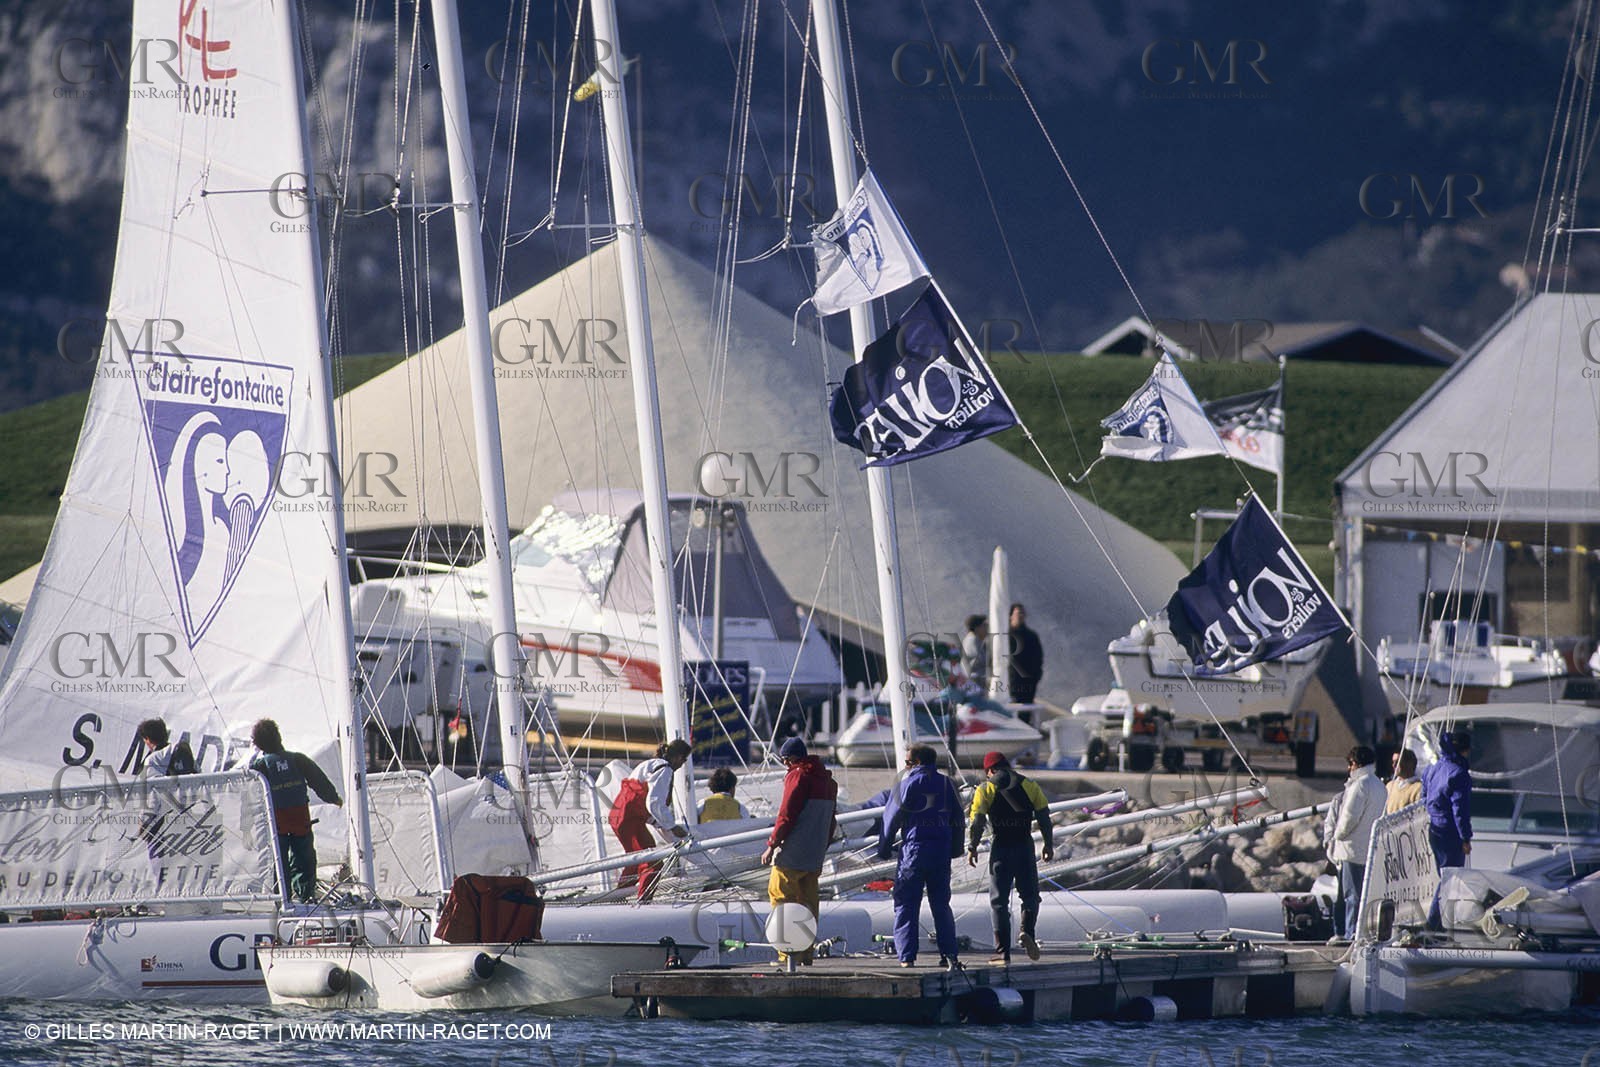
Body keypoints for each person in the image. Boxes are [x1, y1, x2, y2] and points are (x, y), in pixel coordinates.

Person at [877, 745, 965, 970]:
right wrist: (955, 849)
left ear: (916, 762)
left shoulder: (907, 784)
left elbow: (892, 818)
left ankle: (907, 957)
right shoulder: (947, 784)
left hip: (914, 851)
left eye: (907, 763)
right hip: (941, 851)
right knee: (941, 905)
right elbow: (958, 819)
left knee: (906, 903)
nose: (906, 767)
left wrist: (884, 848)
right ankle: (950, 955)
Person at [966, 751, 1053, 965]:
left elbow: (977, 821)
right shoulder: (1029, 784)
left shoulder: (986, 788)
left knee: (999, 902)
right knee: (1030, 895)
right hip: (1024, 845)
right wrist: (1048, 845)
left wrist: (972, 847)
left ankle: (1002, 952)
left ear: (990, 770)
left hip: (1001, 848)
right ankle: (1027, 931)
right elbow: (1044, 816)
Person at [760, 737, 838, 966]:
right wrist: (822, 845)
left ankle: (787, 954)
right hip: (815, 854)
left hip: (793, 853)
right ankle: (805, 953)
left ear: (791, 759)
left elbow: (787, 814)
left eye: (785, 760)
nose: (785, 765)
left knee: (781, 897)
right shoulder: (828, 782)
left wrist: (772, 844)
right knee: (808, 904)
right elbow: (831, 820)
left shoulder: (798, 776)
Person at [248, 719, 342, 904]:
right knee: (304, 859)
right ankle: (305, 896)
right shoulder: (298, 759)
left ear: (258, 744)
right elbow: (319, 781)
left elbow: (249, 796)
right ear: (279, 736)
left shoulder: (260, 767)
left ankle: (282, 899)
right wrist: (333, 798)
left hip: (276, 823)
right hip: (300, 819)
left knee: (278, 862)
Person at [609, 738, 691, 901]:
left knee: (635, 859)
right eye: (684, 759)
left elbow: (642, 801)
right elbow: (653, 802)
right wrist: (672, 826)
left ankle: (618, 897)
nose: (683, 764)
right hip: (629, 820)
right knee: (652, 863)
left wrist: (661, 824)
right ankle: (644, 901)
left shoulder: (651, 765)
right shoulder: (665, 769)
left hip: (623, 817)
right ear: (677, 757)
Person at [1328, 746, 1386, 942]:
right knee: (1363, 893)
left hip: (1350, 849)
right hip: (1368, 849)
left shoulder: (1360, 785)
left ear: (1357, 764)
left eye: (1350, 764)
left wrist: (1336, 837)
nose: (1349, 768)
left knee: (1350, 895)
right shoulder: (1379, 785)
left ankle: (1350, 932)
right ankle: (1358, 931)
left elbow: (1349, 818)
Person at [1422, 729, 1473, 928]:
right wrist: (1466, 838)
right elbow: (1460, 809)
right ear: (1465, 750)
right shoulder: (1459, 774)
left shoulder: (1433, 768)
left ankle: (1438, 920)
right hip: (1450, 832)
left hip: (1434, 828)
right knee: (1450, 877)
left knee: (1442, 876)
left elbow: (1424, 795)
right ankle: (1434, 922)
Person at [1007, 603, 1044, 707]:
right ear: (1011, 616)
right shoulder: (1005, 636)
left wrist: (1036, 676)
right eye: (1018, 613)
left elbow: (1038, 658)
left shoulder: (1031, 636)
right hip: (1010, 681)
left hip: (1028, 682)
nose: (1021, 616)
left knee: (1026, 712)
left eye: (1023, 613)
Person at [1385, 749, 1423, 814]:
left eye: (1397, 762)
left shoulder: (1419, 788)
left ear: (1409, 764)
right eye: (1393, 762)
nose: (1393, 765)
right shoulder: (1389, 786)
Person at [961, 615, 989, 691]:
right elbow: (979, 662)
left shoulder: (978, 640)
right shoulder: (972, 641)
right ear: (977, 628)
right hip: (975, 684)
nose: (988, 628)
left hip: (978, 682)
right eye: (985, 625)